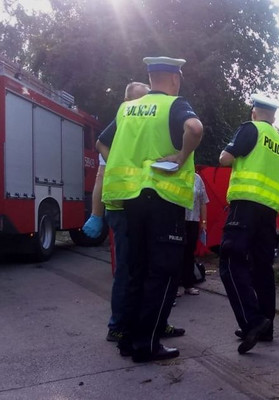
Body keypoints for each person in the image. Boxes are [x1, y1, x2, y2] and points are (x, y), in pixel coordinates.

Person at [97, 56, 203, 363]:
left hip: (130, 199)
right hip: (162, 198)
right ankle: (148, 343)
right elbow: (195, 128)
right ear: (174, 79)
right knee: (164, 272)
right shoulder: (173, 104)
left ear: (151, 76)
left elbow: (105, 144)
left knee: (136, 271)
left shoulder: (126, 109)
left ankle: (128, 340)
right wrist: (182, 157)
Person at [218, 93, 279, 354]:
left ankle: (253, 321)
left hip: (245, 206)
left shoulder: (250, 129)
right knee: (262, 268)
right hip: (269, 212)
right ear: (274, 115)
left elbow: (224, 159)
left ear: (254, 112)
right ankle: (266, 327)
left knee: (229, 262)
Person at [82, 82, 151, 239]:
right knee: (127, 255)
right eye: (140, 98)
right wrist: (96, 214)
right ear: (126, 100)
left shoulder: (144, 123)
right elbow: (101, 171)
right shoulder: (123, 121)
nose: (144, 104)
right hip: (121, 205)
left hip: (138, 203)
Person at [177, 172, 209, 297]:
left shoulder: (197, 178)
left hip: (193, 220)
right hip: (178, 219)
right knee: (176, 253)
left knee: (189, 253)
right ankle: (173, 286)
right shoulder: (176, 174)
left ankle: (188, 285)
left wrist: (204, 222)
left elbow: (203, 202)